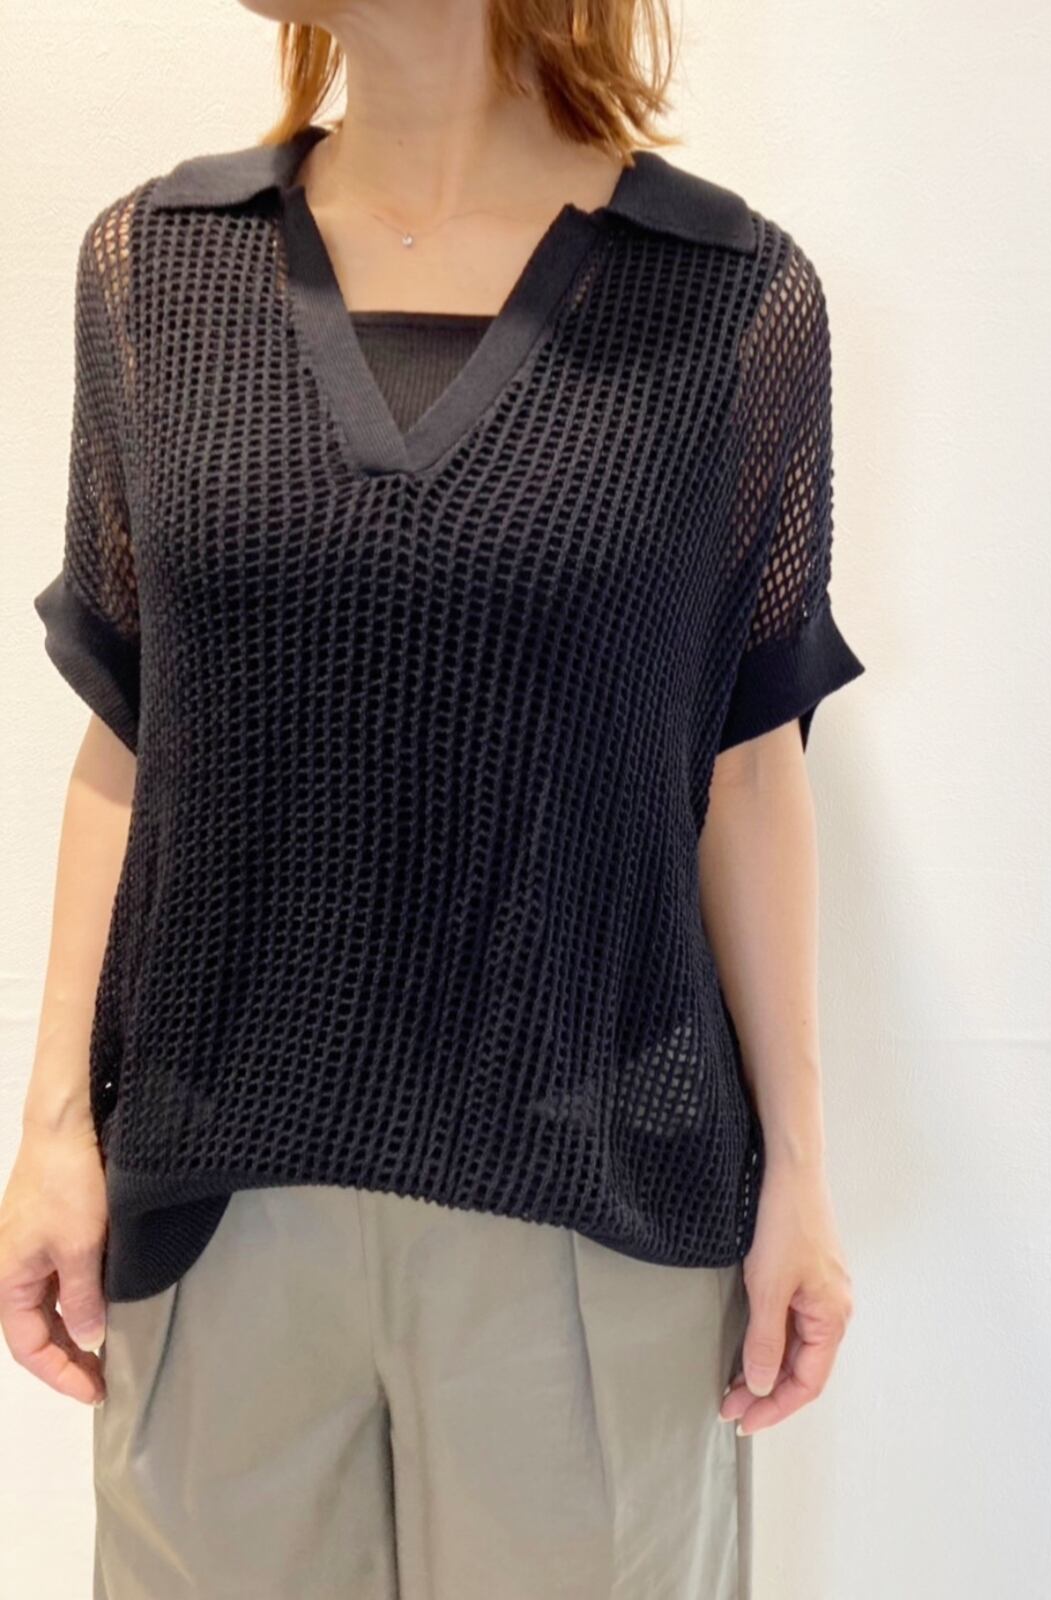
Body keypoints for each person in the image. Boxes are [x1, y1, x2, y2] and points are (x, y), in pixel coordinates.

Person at [1, 2, 865, 1595]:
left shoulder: (729, 301)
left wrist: (803, 1173)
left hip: (591, 1213)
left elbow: (746, 764)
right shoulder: (158, 270)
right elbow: (127, 735)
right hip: (216, 1200)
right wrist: (54, 1124)